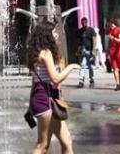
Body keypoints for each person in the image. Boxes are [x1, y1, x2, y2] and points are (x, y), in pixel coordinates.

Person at [26, 20, 80, 154]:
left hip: (44, 98)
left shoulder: (37, 53)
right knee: (43, 145)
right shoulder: (46, 53)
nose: (57, 34)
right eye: (54, 32)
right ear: (47, 35)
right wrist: (70, 67)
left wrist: (30, 104)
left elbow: (34, 82)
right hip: (45, 100)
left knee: (66, 141)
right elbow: (55, 79)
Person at [76, 17, 96, 89]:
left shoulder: (91, 30)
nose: (84, 24)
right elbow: (79, 41)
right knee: (82, 65)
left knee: (90, 66)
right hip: (83, 51)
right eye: (82, 23)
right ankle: (81, 81)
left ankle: (92, 80)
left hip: (89, 51)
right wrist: (78, 50)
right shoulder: (80, 31)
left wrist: (93, 50)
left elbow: (94, 40)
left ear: (87, 22)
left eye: (85, 22)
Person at [107, 18, 120, 91]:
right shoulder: (109, 31)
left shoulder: (119, 29)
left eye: (109, 24)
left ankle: (119, 81)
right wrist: (108, 52)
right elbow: (109, 42)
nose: (109, 25)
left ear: (113, 23)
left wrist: (113, 38)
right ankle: (117, 83)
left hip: (119, 52)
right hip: (112, 53)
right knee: (115, 69)